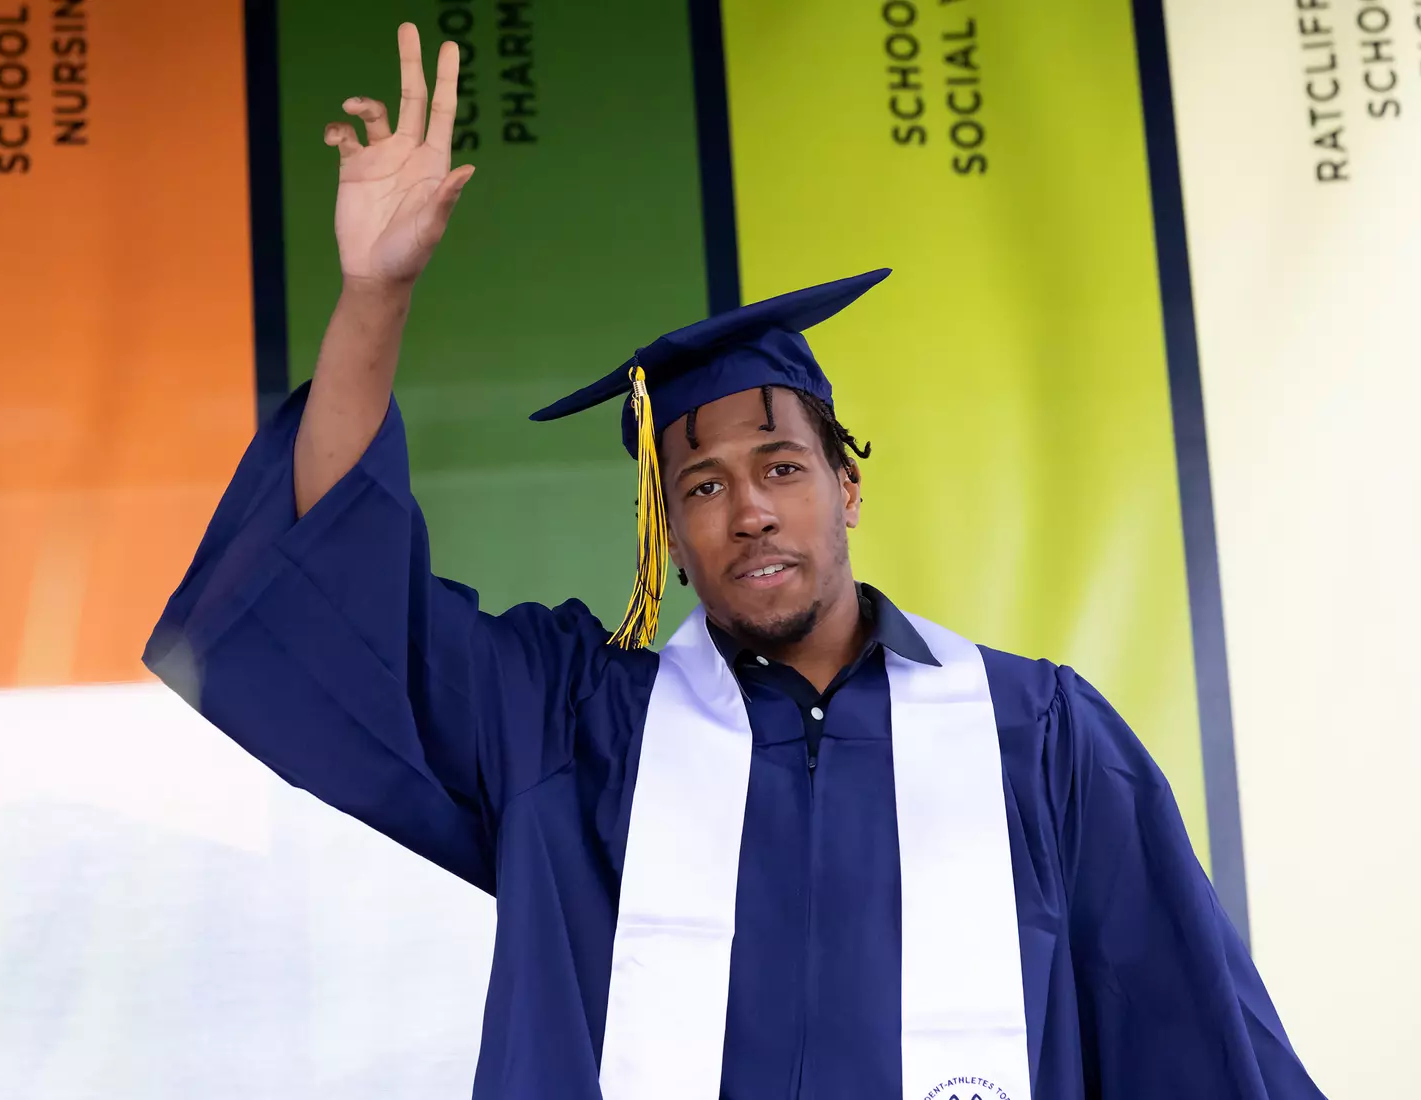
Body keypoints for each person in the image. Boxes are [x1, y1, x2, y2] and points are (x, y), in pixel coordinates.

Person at [144, 22, 1326, 1100]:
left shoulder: (1042, 738)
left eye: (782, 466)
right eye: (701, 486)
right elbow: (345, 596)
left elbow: (1193, 1036)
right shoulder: (575, 730)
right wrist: (375, 294)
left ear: (847, 488)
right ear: (668, 531)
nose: (749, 510)